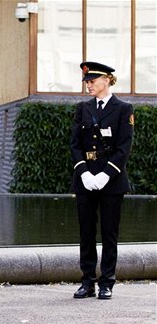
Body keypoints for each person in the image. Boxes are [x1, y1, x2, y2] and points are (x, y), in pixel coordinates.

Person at [70, 61, 134, 300]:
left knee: (109, 234)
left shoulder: (123, 108)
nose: (88, 86)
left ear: (107, 80)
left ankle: (107, 282)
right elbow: (75, 145)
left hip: (112, 180)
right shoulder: (83, 108)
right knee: (86, 233)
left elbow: (124, 147)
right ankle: (87, 281)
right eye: (87, 82)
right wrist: (84, 172)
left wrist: (106, 174)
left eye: (92, 81)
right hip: (85, 180)